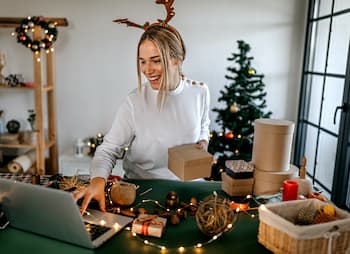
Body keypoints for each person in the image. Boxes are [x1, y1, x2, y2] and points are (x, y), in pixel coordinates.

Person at [74, 25, 210, 214]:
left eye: (155, 61)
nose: (147, 70)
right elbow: (107, 151)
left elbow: (204, 125)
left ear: (177, 59)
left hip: (190, 192)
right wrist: (97, 181)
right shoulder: (133, 102)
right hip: (143, 191)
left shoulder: (200, 91)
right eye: (142, 62)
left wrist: (203, 140)